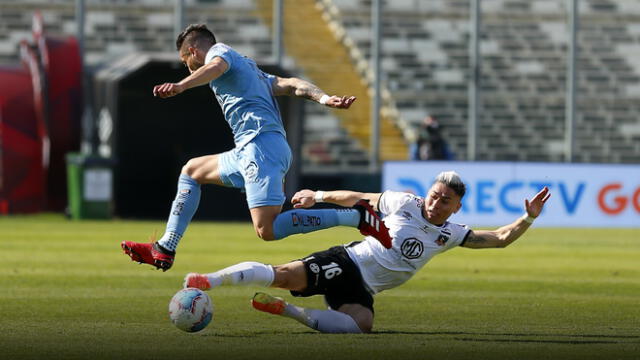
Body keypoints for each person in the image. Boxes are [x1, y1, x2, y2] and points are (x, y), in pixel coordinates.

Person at [121, 24, 391, 271]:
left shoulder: (219, 53)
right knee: (192, 171)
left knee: (267, 229)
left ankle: (355, 217)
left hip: (260, 147)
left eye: (186, 62)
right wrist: (323, 97)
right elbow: (292, 84)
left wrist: (181, 85)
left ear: (193, 51)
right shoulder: (251, 69)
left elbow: (214, 67)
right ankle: (165, 247)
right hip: (251, 149)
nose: (188, 69)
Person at [183, 171, 551, 333]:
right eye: (436, 195)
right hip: (347, 262)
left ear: (456, 207)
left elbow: (500, 238)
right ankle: (209, 280)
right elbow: (359, 198)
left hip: (365, 290)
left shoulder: (452, 234)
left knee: (363, 325)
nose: (437, 203)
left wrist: (528, 218)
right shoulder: (403, 203)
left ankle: (287, 311)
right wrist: (319, 196)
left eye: (446, 200)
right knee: (282, 275)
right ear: (429, 193)